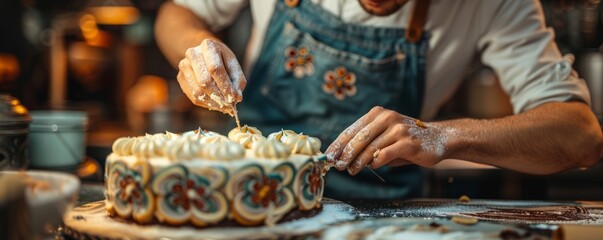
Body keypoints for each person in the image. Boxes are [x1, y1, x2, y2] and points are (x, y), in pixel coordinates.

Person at [155, 0, 603, 200]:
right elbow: (175, 15)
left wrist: (442, 137)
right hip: (239, 195)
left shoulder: (496, 3)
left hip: (378, 215)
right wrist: (197, 46)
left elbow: (579, 136)